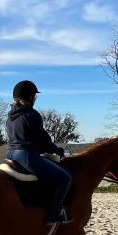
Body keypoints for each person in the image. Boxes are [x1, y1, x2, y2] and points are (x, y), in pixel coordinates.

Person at [6, 80, 73, 224]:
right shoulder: (32, 114)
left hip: (10, 154)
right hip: (27, 156)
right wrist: (56, 150)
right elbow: (43, 140)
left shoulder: (10, 116)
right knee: (65, 178)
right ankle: (53, 215)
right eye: (34, 96)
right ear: (30, 97)